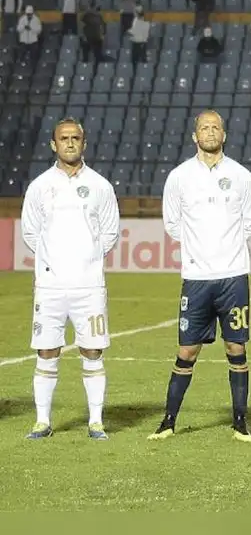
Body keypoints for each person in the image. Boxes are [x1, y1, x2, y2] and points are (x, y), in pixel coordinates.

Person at [148, 110, 251, 442]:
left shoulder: (241, 177)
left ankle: (240, 423)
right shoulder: (180, 177)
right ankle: (168, 422)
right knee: (187, 351)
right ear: (194, 136)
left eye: (215, 127)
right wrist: (202, 248)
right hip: (196, 278)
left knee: (236, 347)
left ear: (224, 135)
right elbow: (172, 223)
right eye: (204, 128)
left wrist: (224, 250)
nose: (210, 132)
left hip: (233, 277)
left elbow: (250, 223)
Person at [20, 118, 120, 440]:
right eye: (64, 138)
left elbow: (109, 233)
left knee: (92, 352)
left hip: (89, 287)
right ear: (54, 144)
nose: (70, 143)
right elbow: (30, 233)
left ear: (84, 143)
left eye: (76, 137)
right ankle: (42, 422)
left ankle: (95, 421)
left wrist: (86, 259)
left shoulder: (101, 186)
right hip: (49, 287)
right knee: (47, 351)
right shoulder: (39, 187)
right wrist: (55, 262)